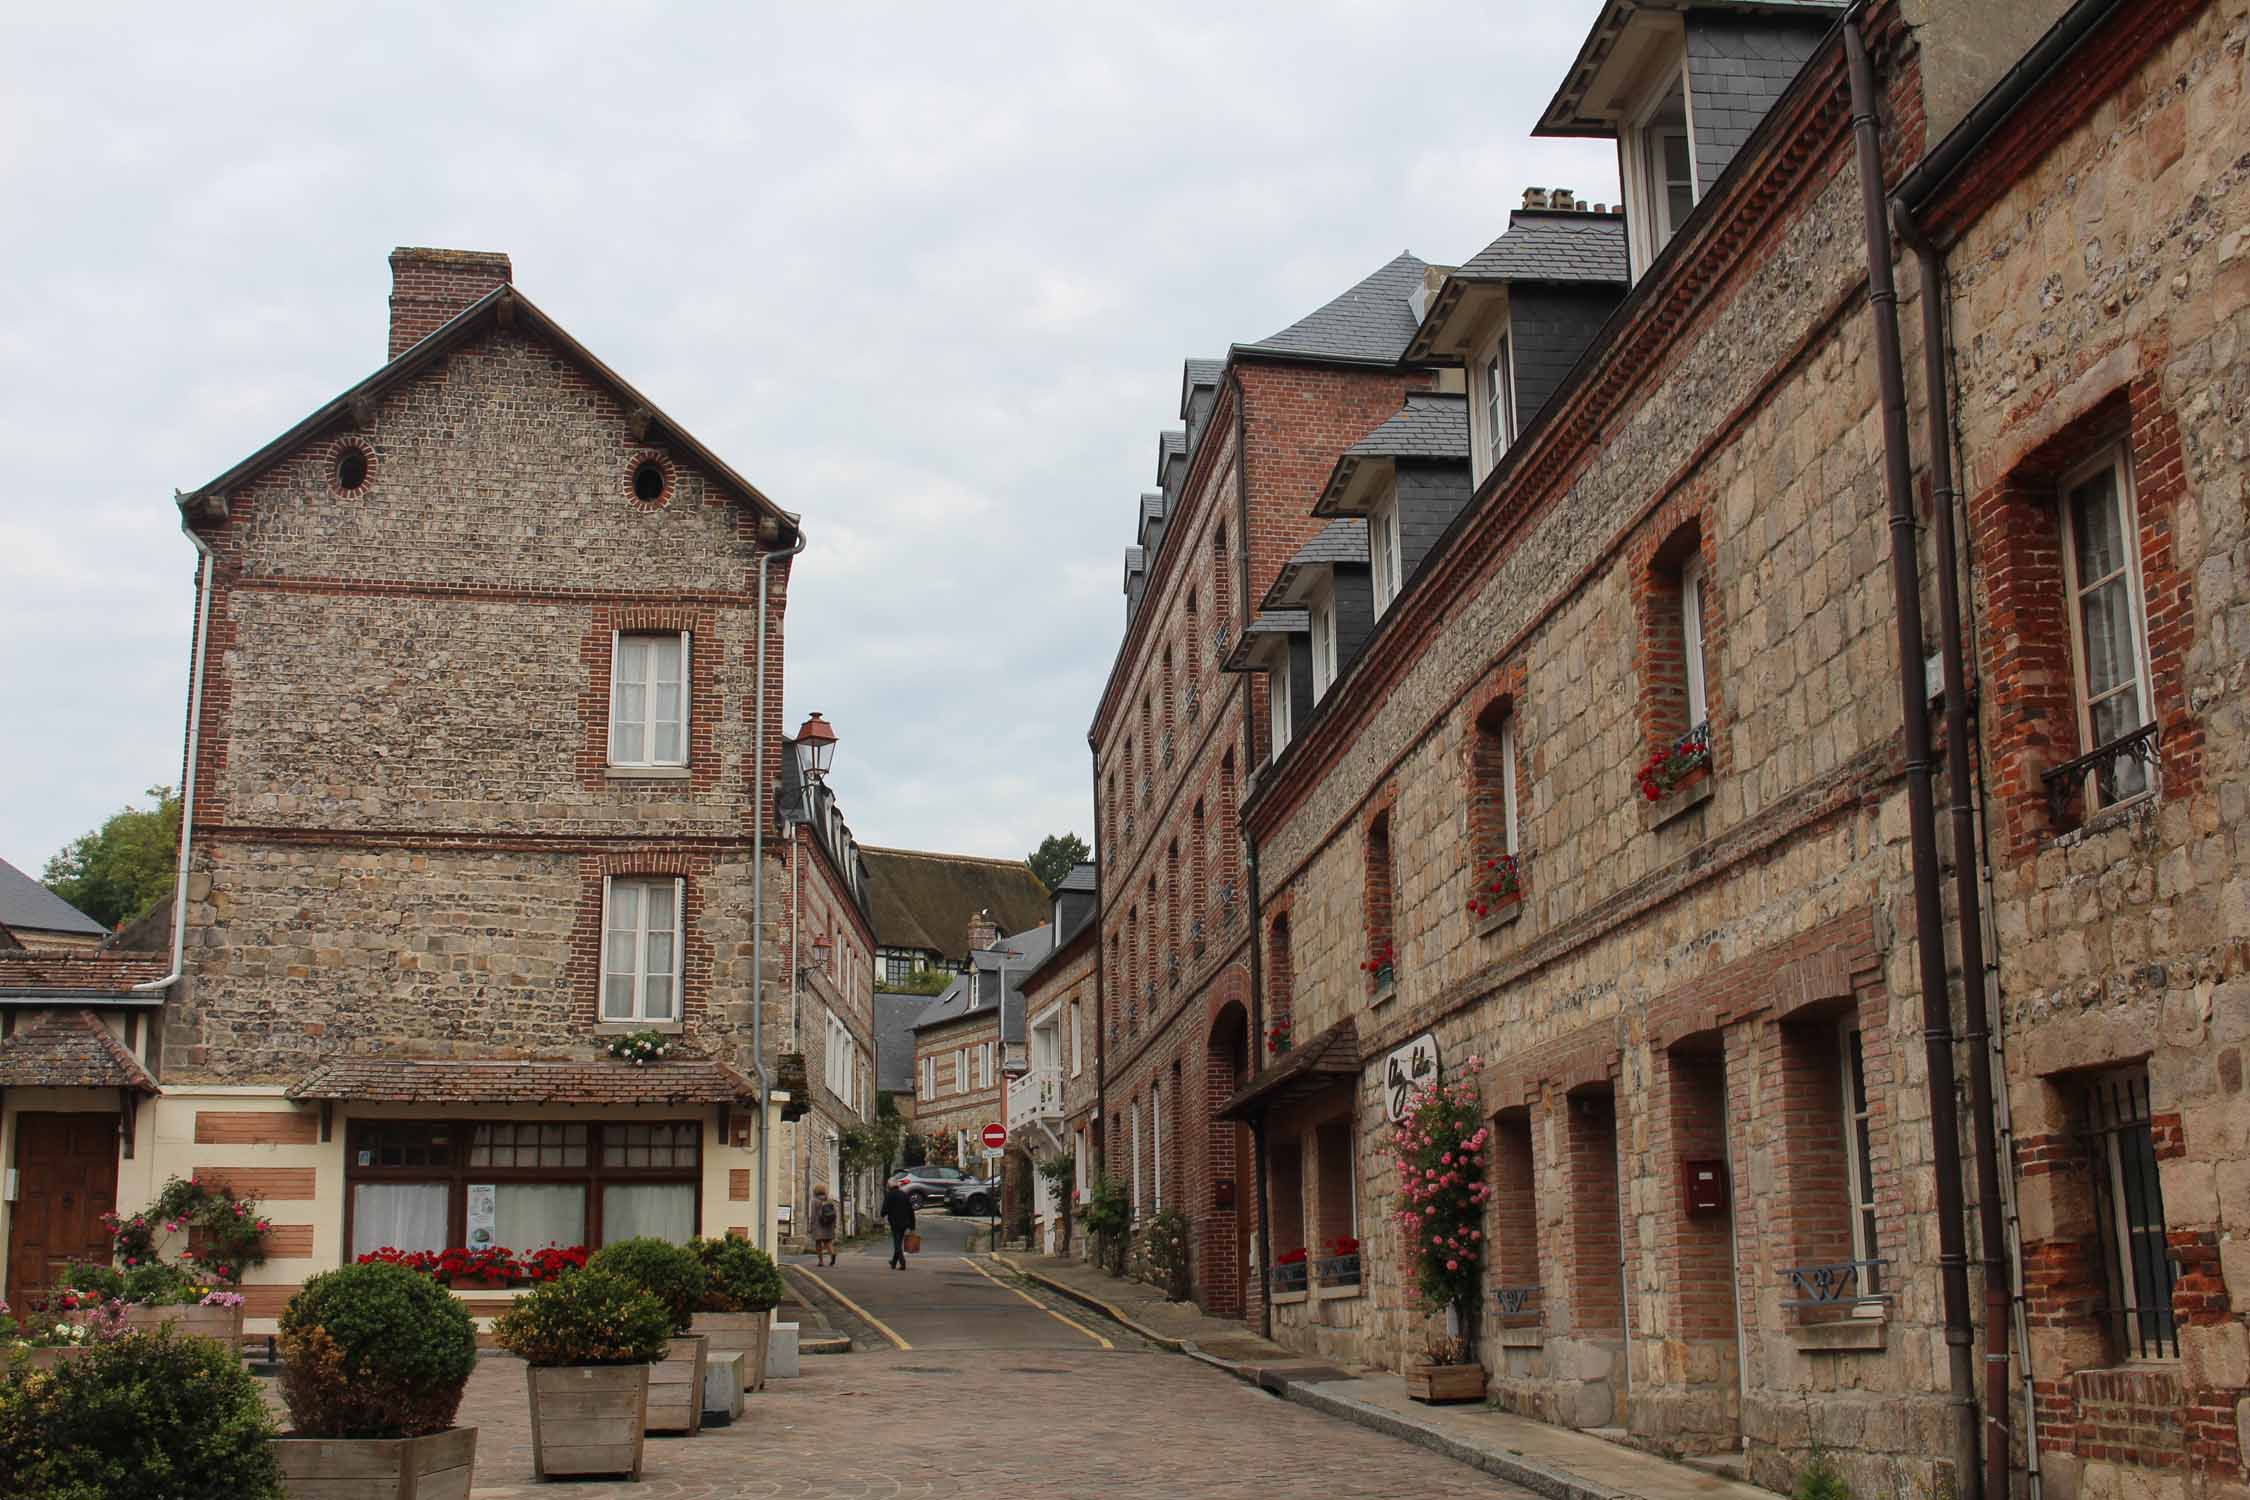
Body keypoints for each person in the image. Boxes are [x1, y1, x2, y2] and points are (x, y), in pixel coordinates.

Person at [880, 1180, 916, 1270]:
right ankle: (893, 1262)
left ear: (889, 1187)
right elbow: (910, 1211)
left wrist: (883, 1214)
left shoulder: (889, 1195)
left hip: (895, 1223)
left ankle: (902, 1262)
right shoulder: (904, 1195)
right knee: (898, 1242)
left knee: (897, 1244)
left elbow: (884, 1210)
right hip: (904, 1223)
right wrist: (912, 1226)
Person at [810, 1183, 839, 1267]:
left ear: (815, 1191)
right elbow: (834, 1213)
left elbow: (813, 1214)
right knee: (828, 1242)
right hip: (828, 1225)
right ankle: (832, 1253)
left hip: (818, 1224)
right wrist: (834, 1224)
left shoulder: (814, 1201)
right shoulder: (829, 1200)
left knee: (818, 1243)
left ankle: (821, 1261)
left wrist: (811, 1225)